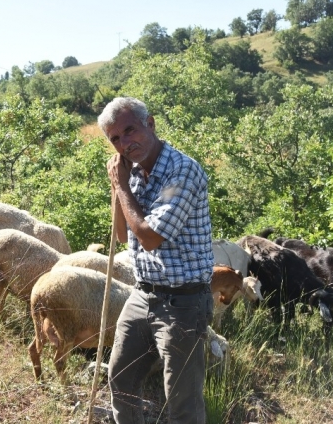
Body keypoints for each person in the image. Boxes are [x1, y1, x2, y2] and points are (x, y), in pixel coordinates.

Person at [98, 97, 214, 424]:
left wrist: (121, 185)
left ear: (150, 124)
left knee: (182, 401)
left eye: (129, 131)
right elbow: (122, 234)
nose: (124, 143)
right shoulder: (131, 172)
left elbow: (149, 237)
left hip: (183, 302)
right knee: (120, 379)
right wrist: (117, 185)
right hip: (142, 294)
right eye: (115, 139)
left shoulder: (182, 170)